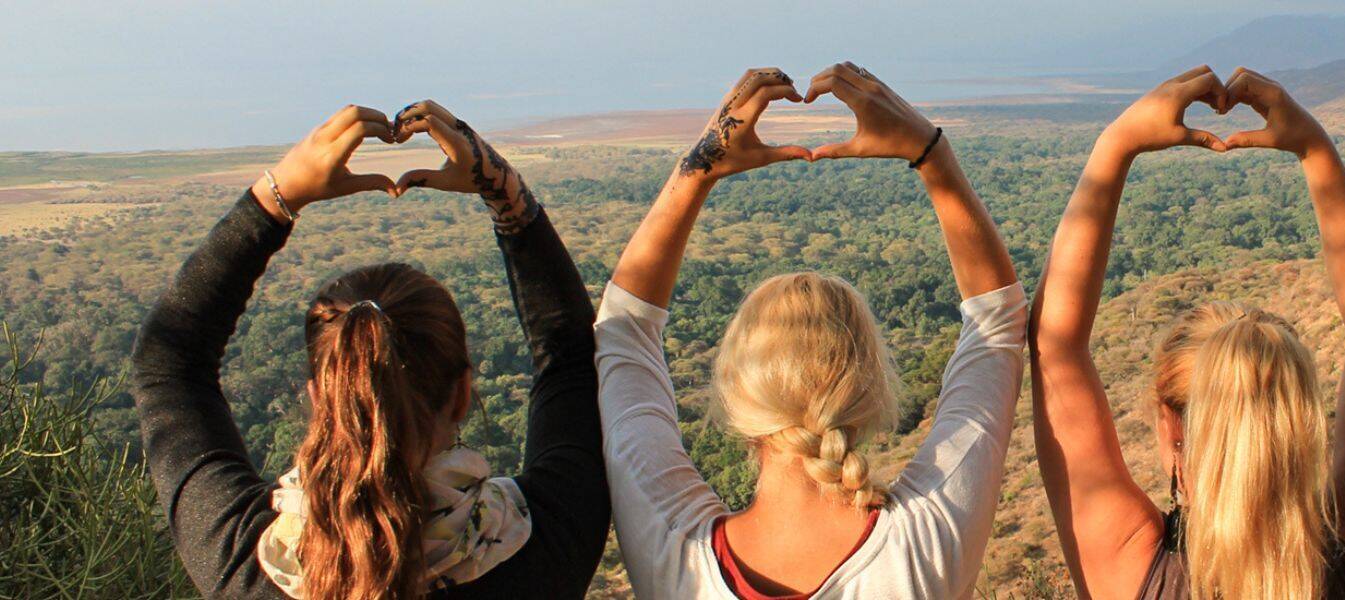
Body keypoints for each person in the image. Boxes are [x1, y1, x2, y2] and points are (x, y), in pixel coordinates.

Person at [130, 101, 609, 599]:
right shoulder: (544, 546)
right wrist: (504, 192)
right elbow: (572, 362)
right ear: (463, 393)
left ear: (320, 399)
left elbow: (168, 364)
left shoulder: (246, 563)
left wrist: (276, 199)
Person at [595, 63, 1026, 599]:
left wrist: (697, 169)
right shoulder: (924, 545)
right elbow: (1000, 322)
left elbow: (622, 329)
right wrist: (930, 153)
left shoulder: (672, 549)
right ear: (872, 389)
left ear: (734, 394)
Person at [1029, 65, 1345, 599]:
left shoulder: (1132, 569)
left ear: (1172, 428)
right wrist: (1316, 150)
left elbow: (1054, 344)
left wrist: (1116, 145)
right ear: (1296, 426)